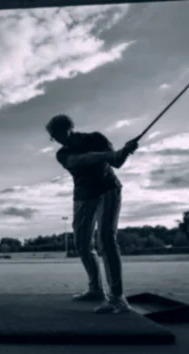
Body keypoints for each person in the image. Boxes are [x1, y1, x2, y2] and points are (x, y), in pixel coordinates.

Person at [46, 114, 138, 314]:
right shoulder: (62, 154)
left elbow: (117, 162)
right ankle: (95, 289)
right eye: (53, 137)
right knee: (81, 244)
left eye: (58, 134)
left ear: (69, 128)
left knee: (106, 239)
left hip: (107, 189)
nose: (57, 139)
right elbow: (83, 160)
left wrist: (126, 151)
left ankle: (117, 298)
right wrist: (110, 155)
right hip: (83, 196)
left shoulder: (96, 138)